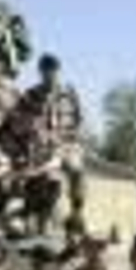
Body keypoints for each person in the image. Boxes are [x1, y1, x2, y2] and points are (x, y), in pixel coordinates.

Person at [16, 54, 88, 232]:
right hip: (43, 145)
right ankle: (42, 216)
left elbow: (80, 120)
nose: (49, 74)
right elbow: (23, 121)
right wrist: (38, 134)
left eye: (53, 70)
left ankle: (76, 211)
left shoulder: (69, 92)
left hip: (67, 144)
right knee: (47, 177)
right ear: (40, 72)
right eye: (45, 70)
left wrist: (73, 137)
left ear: (58, 71)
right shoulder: (31, 95)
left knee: (77, 169)